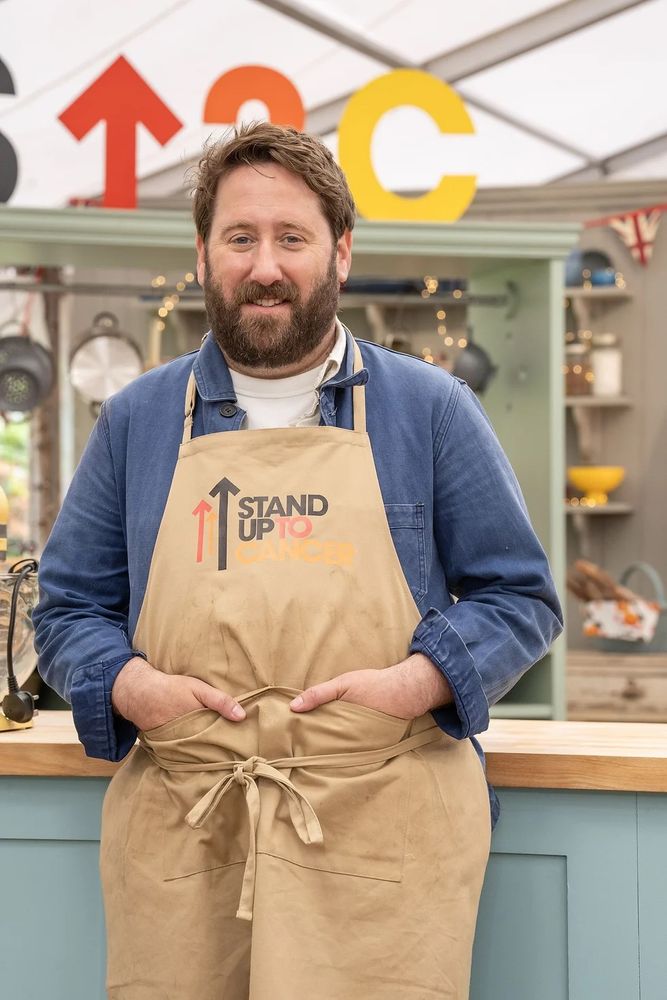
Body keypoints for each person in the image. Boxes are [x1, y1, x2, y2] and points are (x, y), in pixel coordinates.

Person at [34, 122, 563, 1000]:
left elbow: (519, 597)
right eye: (240, 238)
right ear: (203, 255)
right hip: (188, 830)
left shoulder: (430, 410)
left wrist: (420, 682)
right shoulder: (137, 420)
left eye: (292, 238)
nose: (265, 266)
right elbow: (66, 612)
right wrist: (130, 687)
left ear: (340, 252)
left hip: (377, 829)